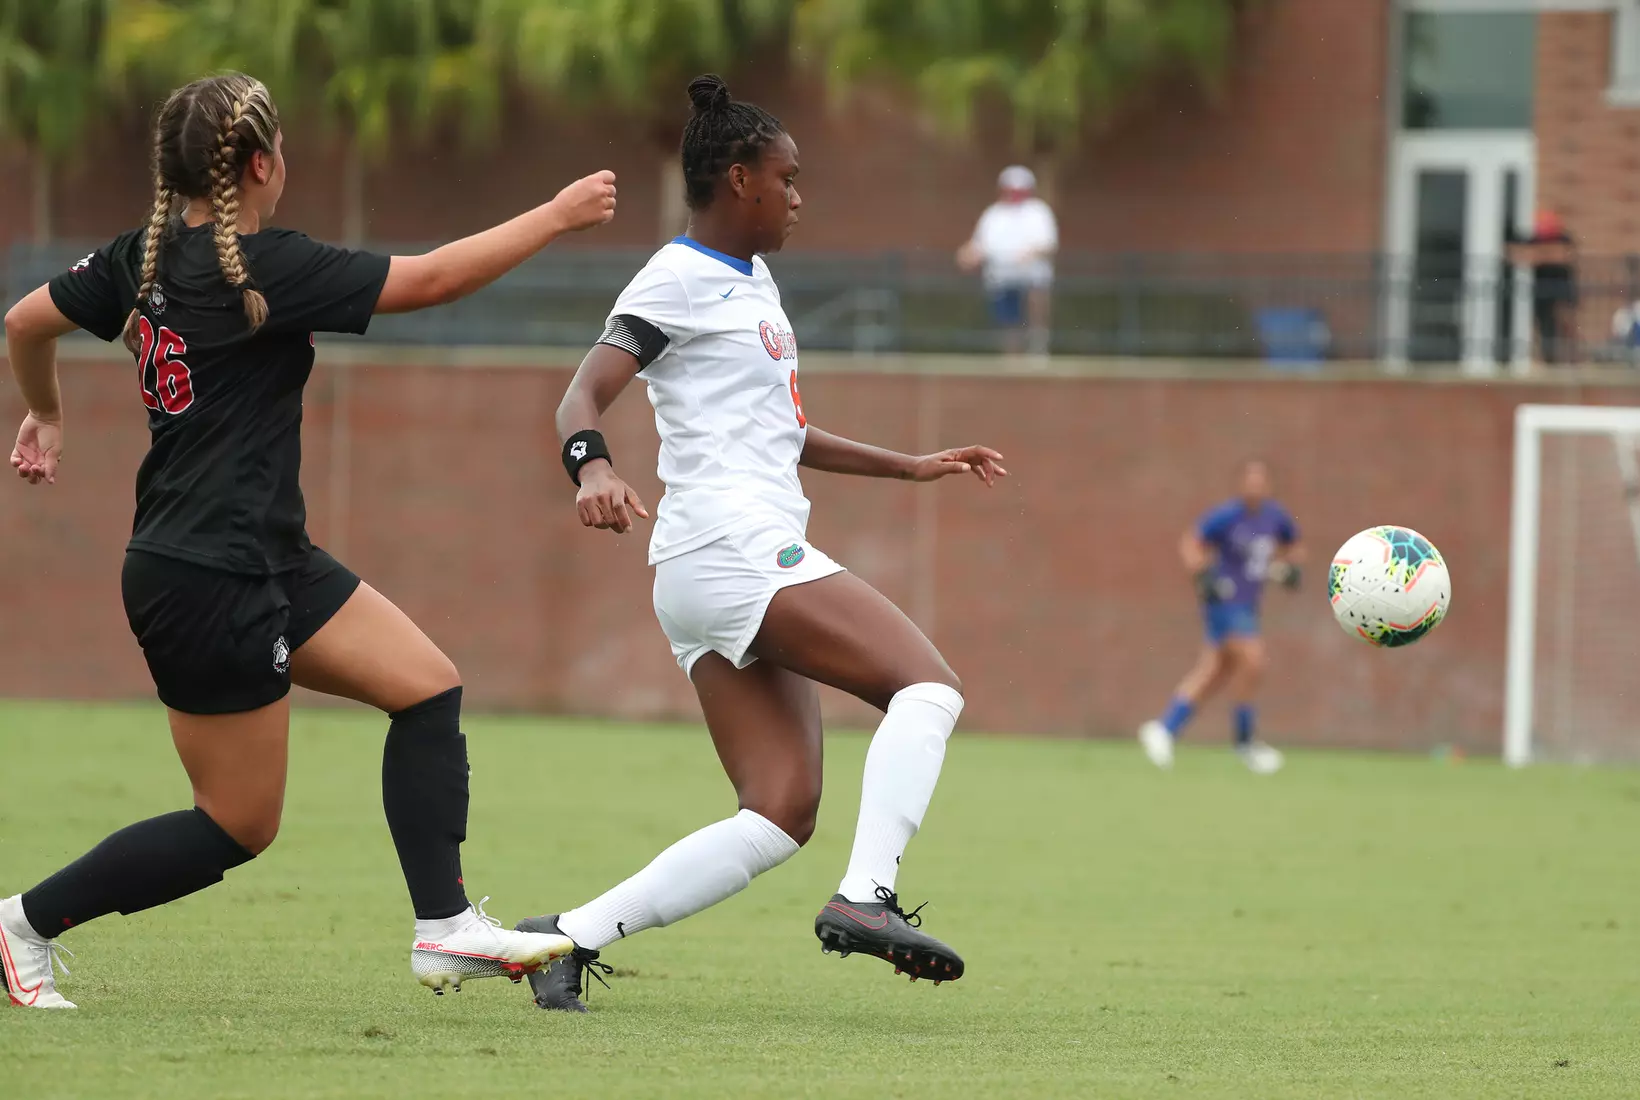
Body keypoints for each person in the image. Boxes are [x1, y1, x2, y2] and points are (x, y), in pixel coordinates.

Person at [1, 73, 618, 1009]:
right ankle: (20, 925)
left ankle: (445, 929)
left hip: (265, 556)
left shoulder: (142, 257)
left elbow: (24, 320)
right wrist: (559, 213)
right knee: (237, 825)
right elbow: (435, 278)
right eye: (282, 149)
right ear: (260, 164)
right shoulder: (263, 265)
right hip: (209, 575)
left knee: (426, 685)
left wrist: (45, 411)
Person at [517, 74, 1008, 1012]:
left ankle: (566, 943)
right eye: (786, 178)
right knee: (928, 687)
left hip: (709, 566)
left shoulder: (754, 280)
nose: (796, 196)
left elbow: (783, 429)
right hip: (730, 549)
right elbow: (580, 395)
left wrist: (908, 466)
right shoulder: (675, 275)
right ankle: (866, 899)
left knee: (779, 812)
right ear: (738, 178)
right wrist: (593, 470)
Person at [1137, 460, 1301, 776]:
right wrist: (1202, 575)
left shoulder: (1275, 518)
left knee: (1216, 671)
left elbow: (1295, 548)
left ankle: (1163, 729)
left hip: (1249, 606)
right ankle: (1244, 742)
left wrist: (1290, 569)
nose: (1254, 485)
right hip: (1226, 603)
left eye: (1260, 480)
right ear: (1241, 484)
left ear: (1268, 485)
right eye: (1249, 479)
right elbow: (1191, 544)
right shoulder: (1227, 516)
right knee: (1253, 661)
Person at [956, 165, 1058, 356]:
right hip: (1002, 278)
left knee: (1035, 314)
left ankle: (1038, 354)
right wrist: (968, 254)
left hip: (1032, 278)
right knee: (1008, 324)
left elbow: (1048, 244)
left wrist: (1030, 254)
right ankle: (1012, 360)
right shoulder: (993, 215)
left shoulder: (1038, 212)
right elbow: (979, 245)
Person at [1505, 209, 1578, 366]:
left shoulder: (1563, 238)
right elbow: (1516, 255)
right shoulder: (1534, 240)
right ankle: (1548, 361)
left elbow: (1563, 255)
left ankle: (1574, 360)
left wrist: (1537, 255)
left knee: (1567, 325)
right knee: (1545, 328)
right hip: (1542, 291)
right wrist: (1540, 255)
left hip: (1562, 289)